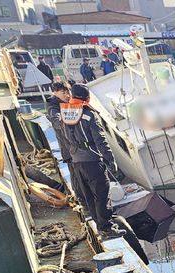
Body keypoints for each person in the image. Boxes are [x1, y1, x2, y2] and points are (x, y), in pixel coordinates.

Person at [61, 84, 125, 237]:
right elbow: (100, 139)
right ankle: (106, 228)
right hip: (92, 161)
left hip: (76, 162)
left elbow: (65, 138)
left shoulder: (66, 113)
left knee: (89, 196)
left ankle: (99, 225)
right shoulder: (89, 114)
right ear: (87, 98)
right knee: (102, 194)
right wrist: (110, 159)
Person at [45, 81, 86, 205]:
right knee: (77, 177)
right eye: (63, 92)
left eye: (68, 91)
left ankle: (83, 198)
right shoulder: (53, 107)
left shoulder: (66, 103)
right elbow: (56, 121)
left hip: (75, 147)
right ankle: (82, 200)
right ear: (55, 92)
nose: (67, 94)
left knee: (80, 175)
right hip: (69, 148)